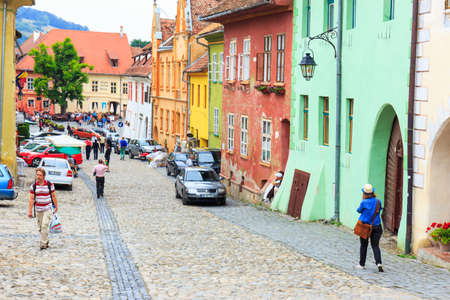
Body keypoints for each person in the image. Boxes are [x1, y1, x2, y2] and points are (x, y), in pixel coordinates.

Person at [28, 168, 59, 250]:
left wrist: (56, 206)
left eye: (40, 175)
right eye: (37, 175)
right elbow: (31, 199)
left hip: (47, 208)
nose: (38, 177)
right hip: (38, 209)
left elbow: (53, 196)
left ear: (44, 176)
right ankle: (46, 239)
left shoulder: (50, 184)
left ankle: (43, 244)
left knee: (45, 225)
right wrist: (30, 211)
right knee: (40, 228)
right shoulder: (33, 186)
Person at [356, 184, 384, 272]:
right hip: (377, 226)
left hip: (365, 226)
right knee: (375, 245)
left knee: (364, 245)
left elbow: (359, 210)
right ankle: (379, 263)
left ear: (364, 193)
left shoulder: (364, 202)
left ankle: (362, 264)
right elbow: (379, 210)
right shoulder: (378, 201)